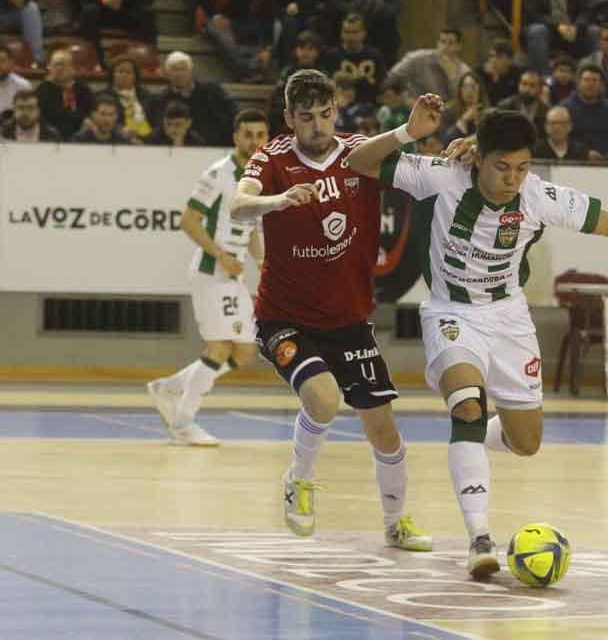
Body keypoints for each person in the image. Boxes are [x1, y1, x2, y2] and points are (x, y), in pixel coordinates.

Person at [345, 108, 608, 577]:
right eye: (502, 167)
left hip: (509, 318)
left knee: (527, 442)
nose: (512, 179)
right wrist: (407, 133)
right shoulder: (441, 176)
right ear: (478, 158)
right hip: (451, 313)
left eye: (522, 168)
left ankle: (469, 437)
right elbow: (357, 162)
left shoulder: (539, 197)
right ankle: (479, 537)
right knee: (466, 402)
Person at [228, 70, 433, 549]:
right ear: (289, 119)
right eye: (306, 118)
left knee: (384, 431)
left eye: (325, 115)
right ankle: (297, 480)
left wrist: (452, 152)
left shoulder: (359, 154)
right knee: (322, 398)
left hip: (349, 319)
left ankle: (396, 522)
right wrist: (278, 201)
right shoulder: (273, 157)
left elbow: (425, 172)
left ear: (336, 111)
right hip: (284, 317)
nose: (318, 127)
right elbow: (239, 205)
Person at [147, 110, 270, 446]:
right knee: (218, 347)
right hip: (210, 271)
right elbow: (188, 221)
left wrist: (263, 265)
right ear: (236, 137)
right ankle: (183, 424)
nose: (254, 142)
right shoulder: (217, 174)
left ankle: (169, 387)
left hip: (233, 275)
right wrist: (221, 255)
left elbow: (256, 228)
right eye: (248, 134)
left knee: (244, 352)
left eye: (261, 135)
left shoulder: (261, 178)